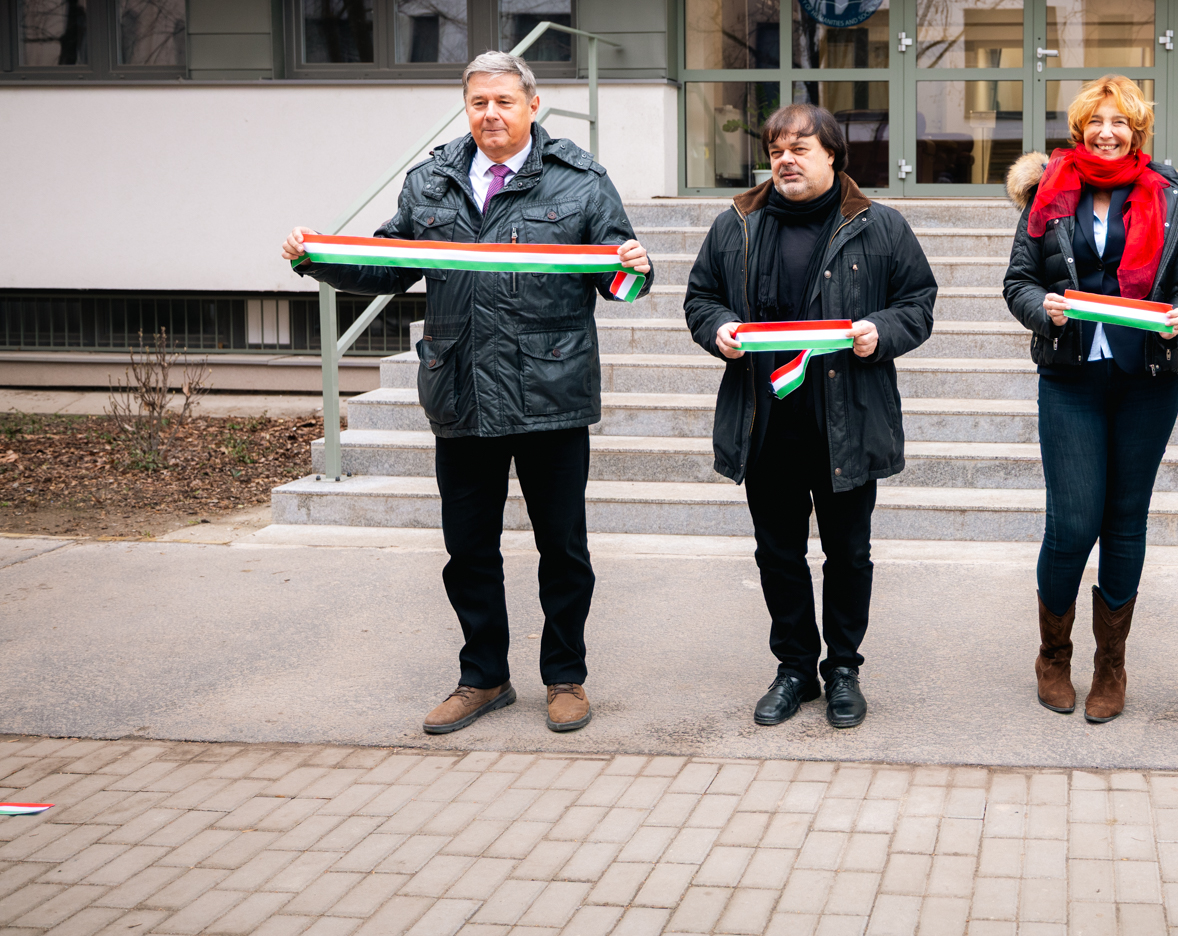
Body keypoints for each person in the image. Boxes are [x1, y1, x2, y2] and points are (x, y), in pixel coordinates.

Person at [282, 50, 650, 736]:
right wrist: (318, 259)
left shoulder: (580, 180)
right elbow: (388, 265)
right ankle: (483, 677)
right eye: (479, 102)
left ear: (532, 105)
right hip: (461, 390)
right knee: (469, 550)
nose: (491, 114)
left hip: (549, 393)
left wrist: (635, 266)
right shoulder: (432, 181)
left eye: (504, 101)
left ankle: (565, 677)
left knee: (563, 550)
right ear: (467, 107)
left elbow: (619, 279)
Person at [683, 104, 937, 729]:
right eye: (776, 151)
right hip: (765, 421)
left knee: (849, 554)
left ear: (832, 155)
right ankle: (794, 668)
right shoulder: (736, 224)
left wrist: (881, 330)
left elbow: (918, 302)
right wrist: (718, 329)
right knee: (778, 554)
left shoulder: (880, 225)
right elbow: (701, 298)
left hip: (846, 420)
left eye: (799, 149)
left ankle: (843, 668)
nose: (785, 161)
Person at [1003, 75, 1178, 723]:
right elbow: (1018, 281)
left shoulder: (1168, 197)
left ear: (1137, 130)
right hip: (1071, 379)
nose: (1107, 132)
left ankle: (1111, 666)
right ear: (1079, 129)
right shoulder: (1048, 191)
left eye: (1120, 121)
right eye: (1096, 121)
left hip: (1146, 380)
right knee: (1072, 524)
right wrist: (1042, 309)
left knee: (1124, 521)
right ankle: (1053, 655)